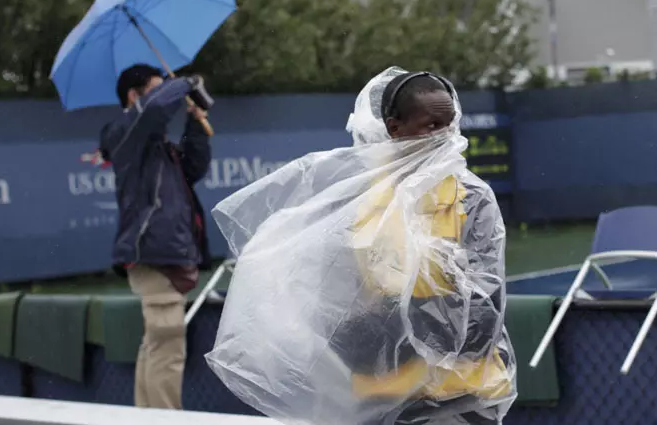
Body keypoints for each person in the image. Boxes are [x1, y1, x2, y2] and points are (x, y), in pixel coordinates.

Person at [208, 67, 515, 425]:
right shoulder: (364, 202)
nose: (444, 136)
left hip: (460, 392)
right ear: (394, 128)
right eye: (430, 126)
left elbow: (483, 310)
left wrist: (409, 328)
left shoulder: (471, 198)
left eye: (448, 124)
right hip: (380, 396)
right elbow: (339, 302)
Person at [99, 64, 212, 410]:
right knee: (167, 347)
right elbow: (155, 108)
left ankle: (147, 417)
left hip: (166, 253)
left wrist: (195, 121)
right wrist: (186, 83)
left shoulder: (155, 146)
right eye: (156, 87)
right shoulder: (123, 130)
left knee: (157, 345)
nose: (167, 93)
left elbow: (195, 167)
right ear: (134, 96)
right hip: (153, 253)